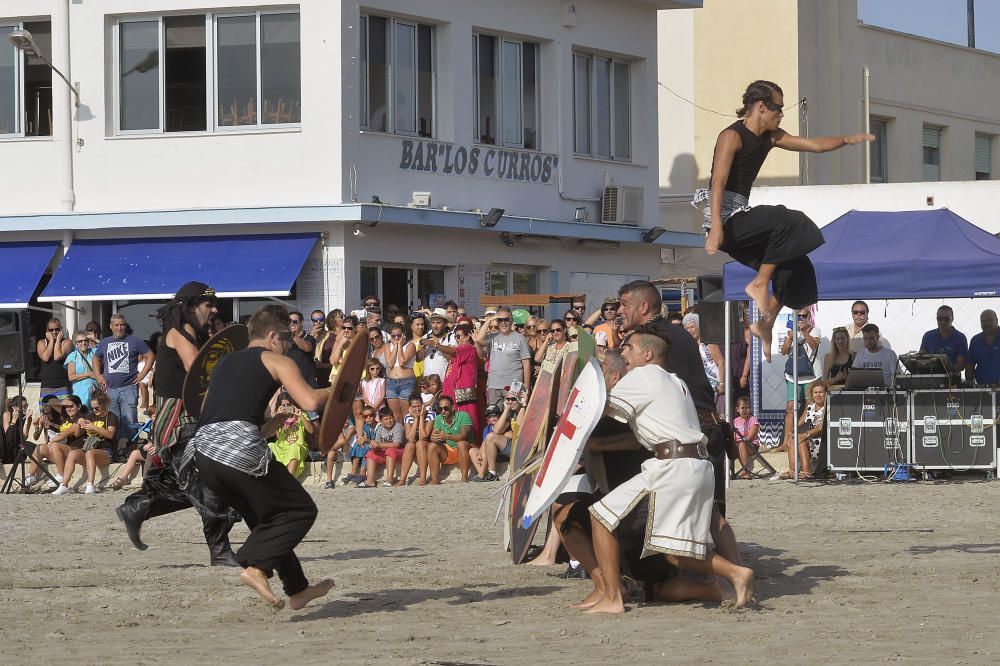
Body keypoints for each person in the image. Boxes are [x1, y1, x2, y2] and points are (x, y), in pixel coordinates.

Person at [581, 329, 754, 613]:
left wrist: (577, 388)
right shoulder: (676, 382)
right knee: (675, 553)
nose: (623, 353)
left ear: (646, 355)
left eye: (629, 348)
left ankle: (612, 598)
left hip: (672, 468)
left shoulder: (642, 376)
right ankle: (736, 573)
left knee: (600, 516)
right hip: (697, 466)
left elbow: (597, 408)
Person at [700, 80, 873, 359]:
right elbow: (718, 181)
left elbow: (813, 145)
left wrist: (846, 140)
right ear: (760, 107)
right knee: (788, 219)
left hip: (742, 219)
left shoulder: (772, 136)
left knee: (797, 266)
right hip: (725, 219)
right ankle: (759, 284)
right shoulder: (732, 136)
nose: (781, 114)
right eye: (777, 108)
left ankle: (765, 324)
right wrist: (716, 228)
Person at [185, 304, 335, 610]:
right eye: (287, 339)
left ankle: (297, 589)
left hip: (203, 453)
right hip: (238, 451)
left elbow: (214, 415)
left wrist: (269, 425)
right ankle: (255, 567)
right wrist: (339, 389)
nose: (290, 345)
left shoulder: (224, 364)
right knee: (300, 510)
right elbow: (308, 400)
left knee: (268, 519)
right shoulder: (275, 360)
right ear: (271, 336)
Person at [615, 280, 741, 566]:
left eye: (625, 304)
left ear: (643, 306)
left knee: (705, 517)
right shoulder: (675, 333)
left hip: (689, 436)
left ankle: (715, 572)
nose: (620, 311)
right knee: (712, 516)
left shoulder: (651, 340)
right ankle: (736, 569)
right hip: (706, 431)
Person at [115, 282, 239, 567]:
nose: (214, 309)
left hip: (188, 417)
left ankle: (137, 507)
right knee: (209, 486)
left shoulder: (191, 333)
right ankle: (220, 550)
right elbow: (200, 372)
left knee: (196, 486)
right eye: (209, 304)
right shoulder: (179, 334)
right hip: (178, 419)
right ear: (192, 306)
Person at [93, 314, 155, 444]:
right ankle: (116, 451)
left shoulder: (135, 340)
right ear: (111, 326)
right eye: (116, 325)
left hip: (128, 388)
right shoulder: (105, 342)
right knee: (113, 422)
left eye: (122, 325)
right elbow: (96, 358)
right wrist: (98, 375)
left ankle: (131, 451)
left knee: (130, 422)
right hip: (110, 389)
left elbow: (150, 356)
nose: (120, 327)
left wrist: (142, 374)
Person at [778, 307, 820, 451]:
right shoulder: (790, 332)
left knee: (809, 408)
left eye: (804, 316)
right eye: (798, 316)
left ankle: (805, 440)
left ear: (809, 316)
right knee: (790, 408)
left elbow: (814, 345)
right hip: (793, 377)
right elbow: (783, 352)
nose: (801, 319)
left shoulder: (815, 330)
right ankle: (786, 442)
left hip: (811, 375)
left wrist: (803, 332)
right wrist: (789, 339)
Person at [477, 308, 531, 405]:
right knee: (494, 417)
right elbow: (479, 340)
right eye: (500, 320)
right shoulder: (493, 337)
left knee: (513, 418)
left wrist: (526, 389)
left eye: (506, 319)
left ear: (511, 321)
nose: (503, 322)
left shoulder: (520, 338)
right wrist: (490, 319)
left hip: (513, 387)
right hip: (493, 385)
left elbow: (526, 364)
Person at [779, 380, 827, 480]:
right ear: (812, 394)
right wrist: (790, 434)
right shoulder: (810, 408)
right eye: (815, 392)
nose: (818, 395)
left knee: (800, 440)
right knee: (793, 438)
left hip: (821, 441)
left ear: (825, 393)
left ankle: (806, 472)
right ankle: (793, 471)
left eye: (820, 392)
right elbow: (799, 423)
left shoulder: (827, 408)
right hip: (807, 438)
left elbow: (820, 427)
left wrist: (805, 435)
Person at [74, 391, 120, 494]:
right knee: (73, 453)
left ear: (104, 404)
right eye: (92, 408)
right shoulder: (91, 416)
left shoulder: (111, 417)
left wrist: (93, 427)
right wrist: (79, 423)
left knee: (90, 453)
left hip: (106, 451)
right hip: (89, 448)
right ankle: (64, 484)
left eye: (97, 408)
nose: (94, 410)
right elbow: (77, 434)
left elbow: (110, 435)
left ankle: (90, 484)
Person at [442, 323, 481, 437]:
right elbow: (450, 353)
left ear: (468, 336)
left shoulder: (469, 348)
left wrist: (435, 345)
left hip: (463, 394)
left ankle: (473, 447)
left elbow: (452, 351)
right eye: (455, 337)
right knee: (453, 422)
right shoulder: (459, 350)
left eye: (458, 336)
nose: (457, 340)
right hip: (454, 393)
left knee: (468, 422)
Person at [682, 313, 726, 412]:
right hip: (701, 388)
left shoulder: (708, 343)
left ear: (698, 327)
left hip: (716, 386)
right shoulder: (689, 346)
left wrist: (722, 383)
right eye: (687, 328)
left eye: (692, 327)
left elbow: (721, 362)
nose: (690, 330)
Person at [264, 393, 313, 480]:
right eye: (284, 405)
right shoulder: (278, 418)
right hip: (283, 448)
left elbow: (311, 430)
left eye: (289, 405)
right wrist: (276, 417)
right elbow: (271, 434)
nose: (286, 407)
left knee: (294, 448)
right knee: (269, 446)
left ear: (293, 404)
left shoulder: (301, 415)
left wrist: (300, 415)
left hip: (298, 446)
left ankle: (288, 480)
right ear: (279, 406)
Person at [426, 395, 474, 483]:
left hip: (466, 451)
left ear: (452, 407)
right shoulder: (438, 418)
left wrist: (447, 436)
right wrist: (433, 438)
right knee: (432, 445)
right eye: (440, 409)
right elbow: (434, 436)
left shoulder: (463, 415)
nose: (443, 411)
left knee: (461, 444)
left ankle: (464, 478)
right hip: (449, 451)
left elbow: (464, 435)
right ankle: (435, 480)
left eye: (446, 408)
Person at [358, 406, 406, 487]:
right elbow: (378, 444)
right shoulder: (380, 429)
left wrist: (379, 445)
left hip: (400, 452)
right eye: (386, 419)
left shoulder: (398, 426)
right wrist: (373, 446)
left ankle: (390, 479)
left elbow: (397, 444)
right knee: (370, 454)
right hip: (386, 453)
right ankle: (370, 481)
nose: (389, 421)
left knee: (390, 450)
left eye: (390, 418)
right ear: (381, 421)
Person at [396, 394, 435, 486]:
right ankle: (402, 479)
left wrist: (421, 417)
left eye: (419, 406)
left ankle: (422, 477)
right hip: (415, 442)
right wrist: (415, 419)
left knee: (420, 443)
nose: (417, 409)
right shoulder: (408, 417)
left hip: (428, 443)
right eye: (414, 407)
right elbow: (410, 438)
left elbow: (423, 436)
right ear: (410, 407)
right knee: (409, 445)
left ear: (423, 405)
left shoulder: (431, 414)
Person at [383, 323, 417, 423]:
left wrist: (400, 346)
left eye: (399, 335)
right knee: (396, 416)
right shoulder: (387, 346)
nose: (397, 337)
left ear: (404, 334)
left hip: (406, 383)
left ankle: (408, 437)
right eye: (394, 336)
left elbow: (402, 361)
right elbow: (390, 363)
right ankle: (399, 437)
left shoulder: (410, 345)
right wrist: (396, 346)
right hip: (391, 383)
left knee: (407, 415)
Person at [919, 305, 967, 373]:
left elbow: (961, 366)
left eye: (946, 319)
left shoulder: (960, 338)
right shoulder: (927, 336)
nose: (943, 322)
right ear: (936, 319)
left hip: (952, 379)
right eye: (940, 319)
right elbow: (920, 360)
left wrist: (942, 367)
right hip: (930, 379)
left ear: (952, 319)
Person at [37, 318, 73, 403]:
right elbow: (45, 357)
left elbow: (57, 356)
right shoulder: (41, 343)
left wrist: (58, 341)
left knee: (64, 414)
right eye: (51, 330)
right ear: (47, 331)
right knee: (46, 414)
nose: (54, 332)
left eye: (57, 329)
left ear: (61, 329)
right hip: (46, 386)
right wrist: (51, 341)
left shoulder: (67, 342)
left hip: (63, 385)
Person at [64, 331, 98, 410]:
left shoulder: (93, 352)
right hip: (81, 392)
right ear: (75, 343)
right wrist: (88, 374)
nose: (83, 343)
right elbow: (71, 377)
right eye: (80, 341)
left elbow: (106, 347)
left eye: (85, 340)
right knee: (83, 414)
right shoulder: (73, 356)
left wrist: (95, 339)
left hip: (95, 391)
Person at [965, 309, 1000, 385]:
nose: (986, 323)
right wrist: (969, 385)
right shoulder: (975, 340)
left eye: (990, 320)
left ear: (997, 320)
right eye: (983, 321)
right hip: (981, 390)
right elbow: (969, 366)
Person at [731, 397, 760, 479]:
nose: (744, 410)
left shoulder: (752, 420)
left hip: (751, 445)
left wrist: (740, 441)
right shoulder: (734, 421)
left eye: (747, 408)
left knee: (741, 444)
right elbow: (732, 436)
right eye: (742, 408)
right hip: (738, 445)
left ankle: (746, 471)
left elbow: (750, 437)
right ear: (737, 409)